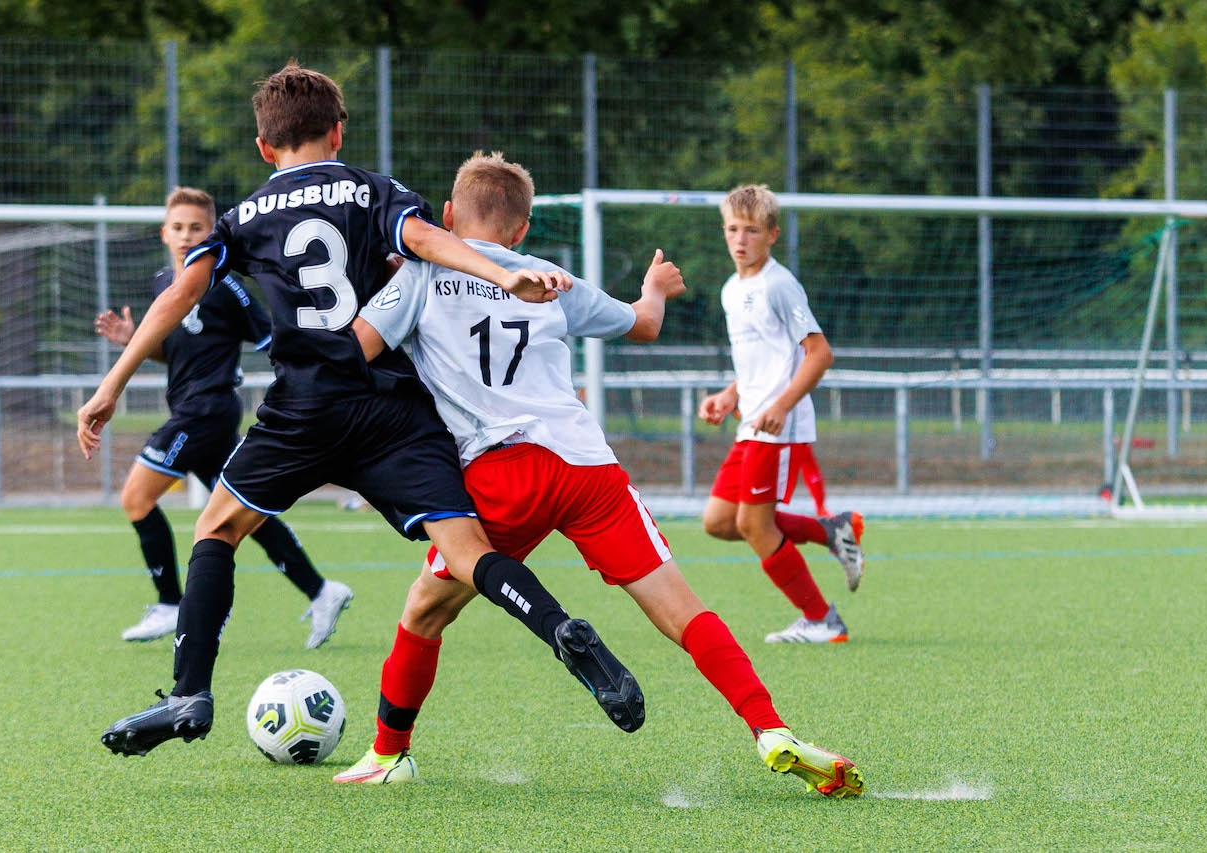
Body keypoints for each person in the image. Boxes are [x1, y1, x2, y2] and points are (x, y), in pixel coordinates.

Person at [78, 63, 641, 757]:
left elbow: (177, 297)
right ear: (338, 132)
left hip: (304, 408)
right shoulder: (375, 190)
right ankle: (558, 627)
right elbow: (426, 240)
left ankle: (189, 691)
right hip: (392, 409)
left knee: (217, 527)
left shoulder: (242, 217)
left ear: (264, 146)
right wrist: (503, 273)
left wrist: (111, 385)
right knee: (468, 552)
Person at [332, 152, 862, 798]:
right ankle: (770, 728)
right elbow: (644, 323)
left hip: (497, 474)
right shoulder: (552, 279)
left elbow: (351, 353)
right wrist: (656, 286)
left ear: (445, 217)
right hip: (587, 466)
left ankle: (389, 752)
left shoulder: (421, 274)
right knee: (683, 610)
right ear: (522, 230)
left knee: (423, 614)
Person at [96, 187, 352, 649]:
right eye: (178, 227)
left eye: (197, 228)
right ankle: (321, 590)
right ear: (164, 233)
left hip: (206, 412)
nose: (186, 236)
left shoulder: (226, 285)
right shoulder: (164, 283)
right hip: (194, 412)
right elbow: (175, 351)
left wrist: (305, 386)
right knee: (243, 514)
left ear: (212, 233)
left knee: (136, 498)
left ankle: (170, 604)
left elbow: (271, 338)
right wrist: (134, 339)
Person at [698, 184, 865, 645]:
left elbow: (819, 354)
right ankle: (831, 530)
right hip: (751, 422)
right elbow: (766, 359)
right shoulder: (732, 289)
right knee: (719, 522)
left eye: (752, 230)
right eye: (733, 229)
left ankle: (822, 619)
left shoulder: (779, 284)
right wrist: (730, 394)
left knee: (753, 525)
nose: (740, 239)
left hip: (778, 426)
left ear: (772, 235)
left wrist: (781, 405)